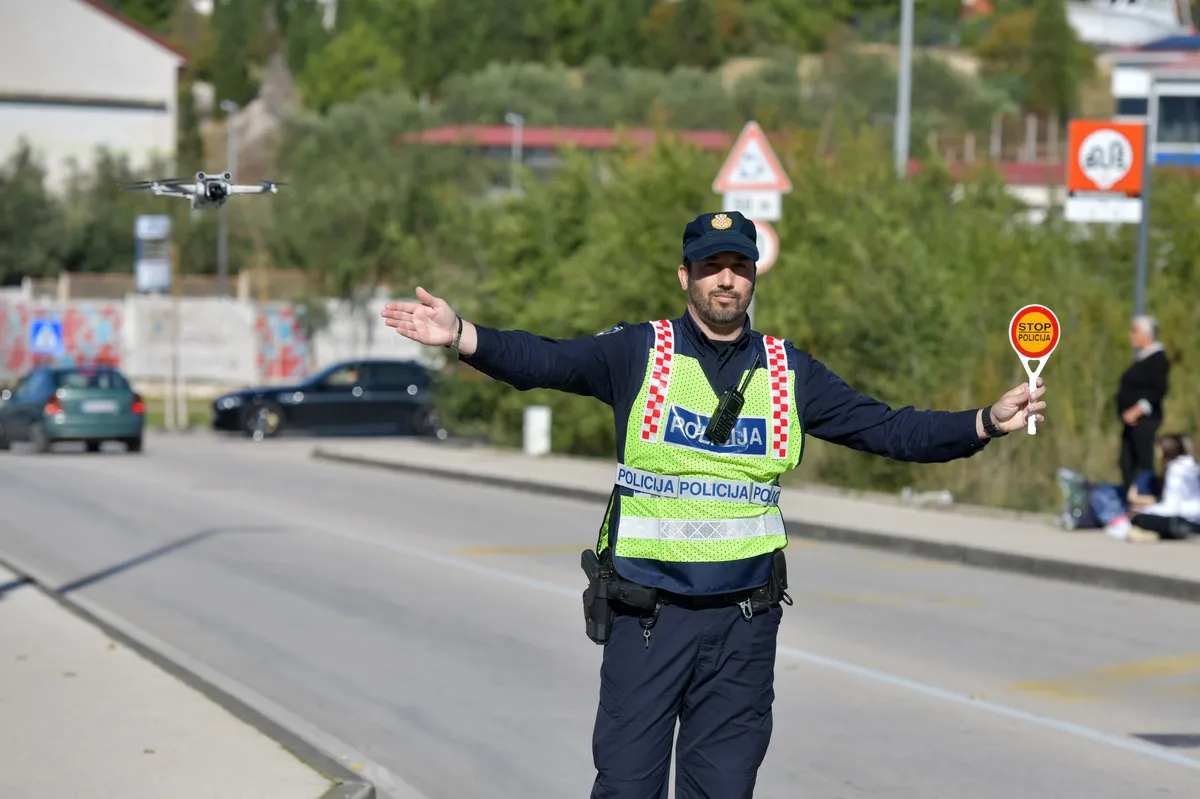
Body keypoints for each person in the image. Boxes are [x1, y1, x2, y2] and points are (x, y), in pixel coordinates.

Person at [380, 210, 1047, 799]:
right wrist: (463, 334)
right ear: (685, 276)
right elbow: (547, 360)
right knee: (627, 786)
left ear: (754, 277)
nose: (725, 280)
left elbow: (890, 429)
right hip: (649, 619)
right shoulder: (640, 352)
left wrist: (984, 420)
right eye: (710, 267)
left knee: (723, 789)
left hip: (742, 626)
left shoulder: (790, 372)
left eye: (738, 267)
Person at [1109, 433, 1200, 542]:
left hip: (1183, 518)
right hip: (1194, 516)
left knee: (1139, 518)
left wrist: (1146, 510)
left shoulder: (1175, 470)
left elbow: (1171, 507)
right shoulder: (1193, 466)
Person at [1116, 315, 1170, 494]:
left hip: (1144, 421)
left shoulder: (1157, 359)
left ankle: (1147, 501)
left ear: (1148, 335)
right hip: (1130, 423)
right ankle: (1132, 502)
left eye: (1135, 331)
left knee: (1144, 463)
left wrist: (1137, 410)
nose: (1131, 335)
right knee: (1126, 463)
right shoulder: (1142, 358)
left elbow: (1158, 390)